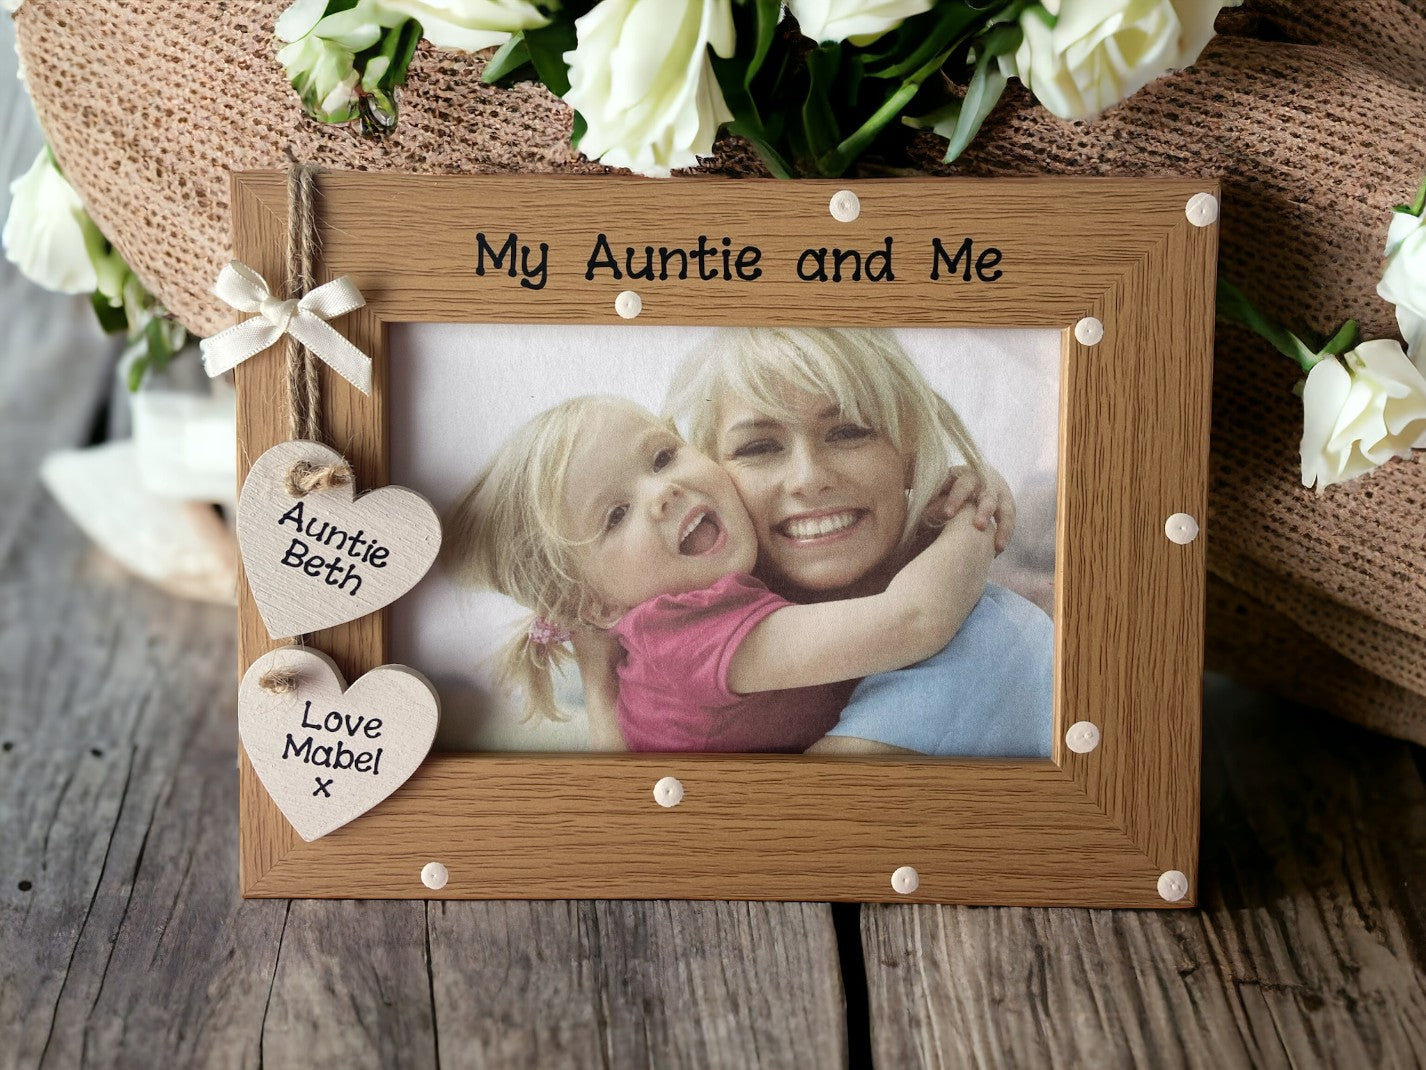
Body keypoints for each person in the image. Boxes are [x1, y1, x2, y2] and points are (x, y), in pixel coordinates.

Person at [443, 394, 994, 752]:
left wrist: (596, 678)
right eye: (615, 516)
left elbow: (623, 771)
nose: (662, 493)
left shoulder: (662, 624)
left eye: (661, 458)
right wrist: (978, 517)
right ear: (596, 606)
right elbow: (915, 620)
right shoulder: (686, 631)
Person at [658, 327, 1055, 758]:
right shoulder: (694, 624)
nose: (808, 479)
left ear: (910, 451)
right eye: (758, 447)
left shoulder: (984, 643)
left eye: (848, 432)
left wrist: (975, 518)